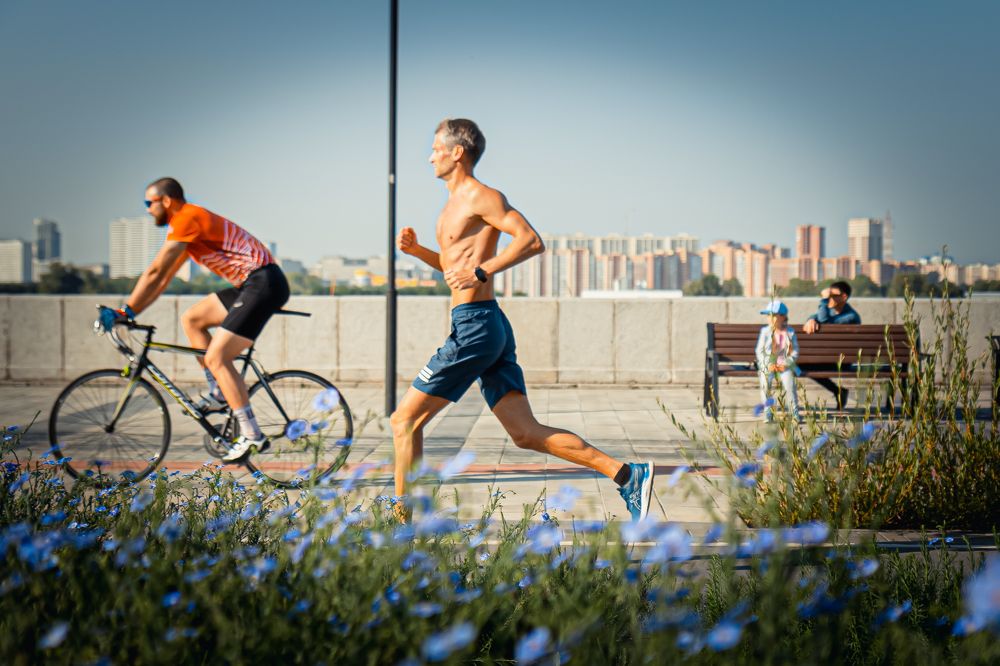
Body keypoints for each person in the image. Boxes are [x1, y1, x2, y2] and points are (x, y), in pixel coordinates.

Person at [391, 119, 654, 521]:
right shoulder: (451, 206)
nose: (429, 156)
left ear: (456, 152)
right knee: (525, 433)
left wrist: (482, 272)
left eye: (435, 148)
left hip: (476, 326)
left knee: (404, 420)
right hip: (482, 322)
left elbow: (531, 240)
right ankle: (626, 474)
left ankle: (400, 528)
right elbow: (454, 265)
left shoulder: (482, 196)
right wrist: (419, 252)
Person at [98, 177, 289, 463]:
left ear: (166, 200)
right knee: (193, 319)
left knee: (217, 358)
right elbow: (162, 280)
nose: (148, 209)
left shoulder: (187, 217)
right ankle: (220, 391)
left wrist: (125, 312)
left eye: (149, 203)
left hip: (263, 283)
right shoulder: (185, 228)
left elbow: (153, 271)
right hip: (250, 284)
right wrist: (133, 312)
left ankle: (252, 434)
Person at [801, 280, 861, 408]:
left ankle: (838, 391)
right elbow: (817, 316)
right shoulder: (833, 313)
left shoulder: (851, 317)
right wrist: (811, 319)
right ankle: (838, 391)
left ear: (844, 297)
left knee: (803, 365)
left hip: (842, 362)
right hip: (828, 359)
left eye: (832, 296)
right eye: (828, 296)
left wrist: (823, 300)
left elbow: (825, 321)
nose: (829, 299)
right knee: (800, 365)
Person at [755, 300, 801, 422]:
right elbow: (759, 351)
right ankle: (768, 413)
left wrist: (786, 363)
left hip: (784, 366)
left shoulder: (790, 332)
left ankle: (794, 412)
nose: (769, 318)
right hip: (768, 365)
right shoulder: (765, 332)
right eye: (768, 315)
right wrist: (767, 364)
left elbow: (795, 351)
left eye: (772, 315)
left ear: (782, 317)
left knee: (789, 386)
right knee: (765, 385)